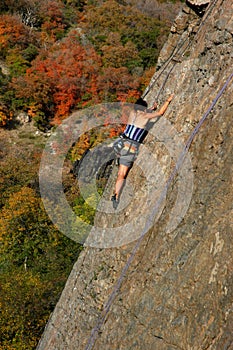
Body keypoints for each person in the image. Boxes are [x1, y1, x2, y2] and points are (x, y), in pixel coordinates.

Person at [111, 94, 174, 209]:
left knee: (120, 173)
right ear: (144, 109)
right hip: (131, 147)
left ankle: (116, 193)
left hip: (122, 144)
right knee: (123, 174)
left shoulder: (132, 114)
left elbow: (140, 114)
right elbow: (160, 113)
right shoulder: (145, 116)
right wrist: (168, 101)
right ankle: (116, 195)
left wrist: (149, 109)